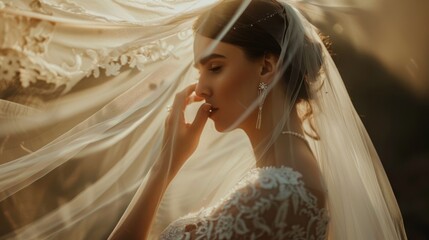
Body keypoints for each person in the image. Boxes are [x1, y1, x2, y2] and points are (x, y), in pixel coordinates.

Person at [0, 0, 407, 239]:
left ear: (266, 68)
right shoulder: (278, 175)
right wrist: (171, 160)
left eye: (215, 67)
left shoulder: (280, 189)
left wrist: (164, 165)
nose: (201, 87)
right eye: (200, 70)